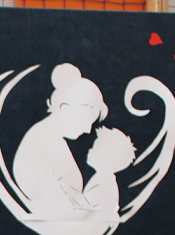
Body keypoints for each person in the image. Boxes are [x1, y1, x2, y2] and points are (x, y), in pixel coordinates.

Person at [12, 64, 108, 218]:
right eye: (85, 121)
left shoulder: (48, 138)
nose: (88, 130)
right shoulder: (42, 141)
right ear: (64, 108)